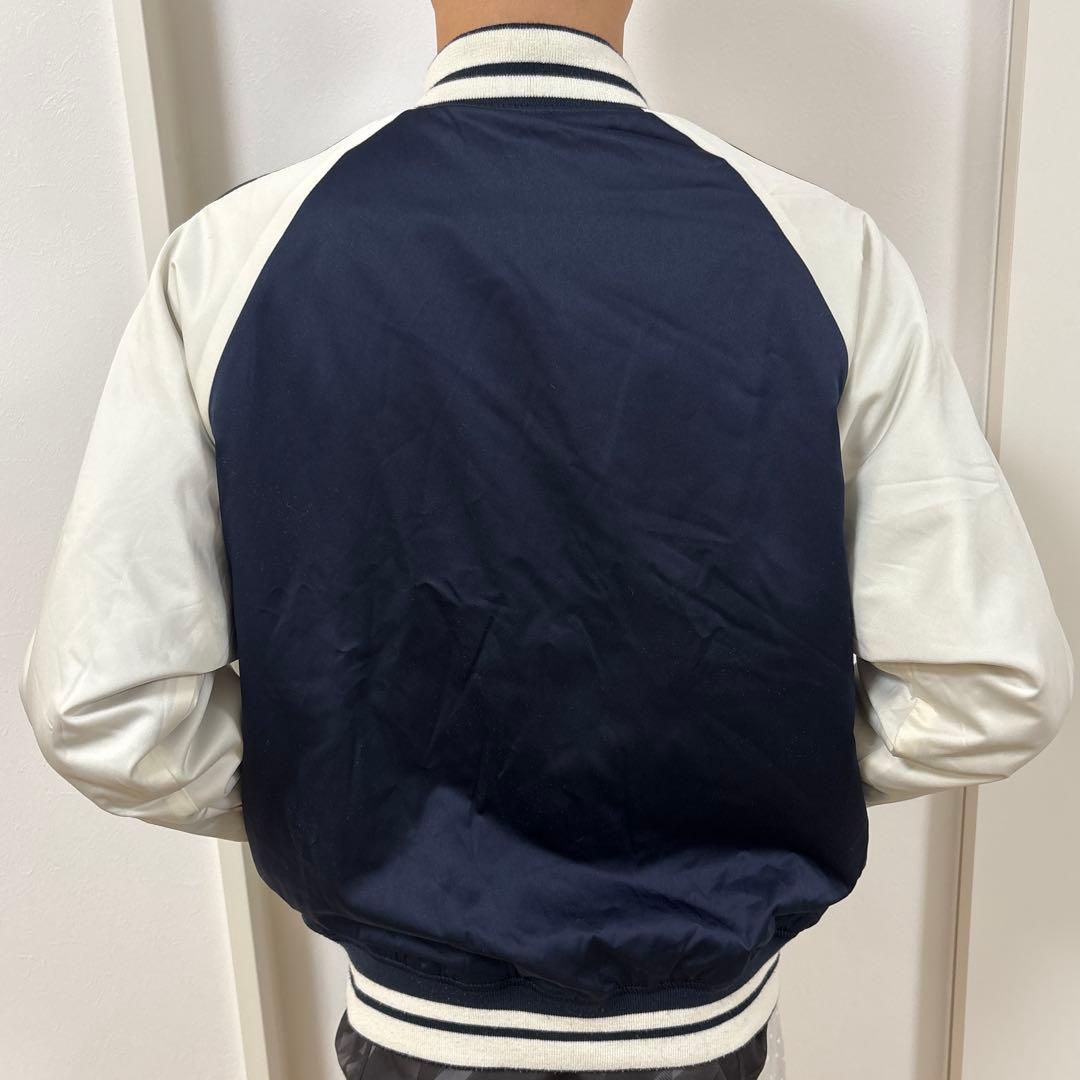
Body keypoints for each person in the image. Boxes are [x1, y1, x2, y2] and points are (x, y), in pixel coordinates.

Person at [19, 3, 1074, 1078]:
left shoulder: (235, 255)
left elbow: (104, 708)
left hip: (414, 1024)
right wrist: (759, 784)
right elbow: (988, 687)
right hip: (703, 1026)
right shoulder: (823, 249)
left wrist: (353, 803)